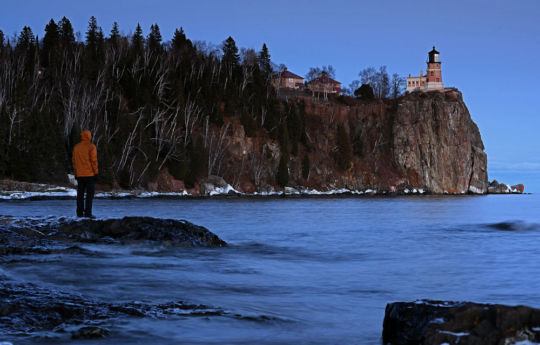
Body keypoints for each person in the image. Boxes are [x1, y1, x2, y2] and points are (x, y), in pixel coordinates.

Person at [72, 130, 99, 218]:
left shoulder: (76, 147)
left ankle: (79, 213)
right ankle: (88, 213)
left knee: (80, 195)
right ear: (89, 136)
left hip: (80, 175)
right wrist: (96, 172)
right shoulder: (91, 147)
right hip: (89, 175)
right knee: (89, 195)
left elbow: (74, 162)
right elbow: (93, 161)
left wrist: (76, 173)